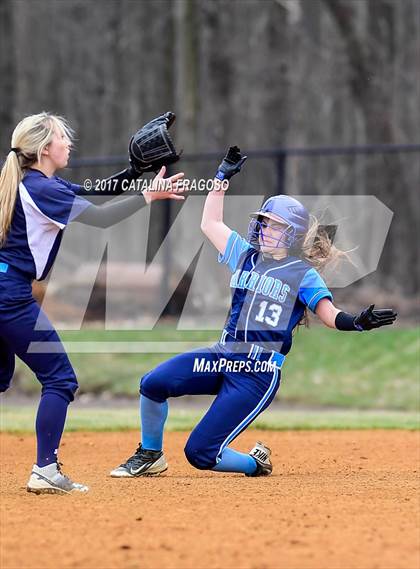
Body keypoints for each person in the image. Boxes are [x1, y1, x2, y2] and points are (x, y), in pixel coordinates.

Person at [111, 146, 397, 479]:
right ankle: (150, 454)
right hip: (221, 356)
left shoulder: (302, 273)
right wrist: (221, 179)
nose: (264, 229)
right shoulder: (246, 255)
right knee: (153, 383)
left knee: (200, 453)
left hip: (256, 373)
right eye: (262, 222)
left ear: (291, 234)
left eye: (273, 225)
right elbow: (210, 223)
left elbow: (329, 314)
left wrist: (357, 323)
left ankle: (255, 463)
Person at [0, 112, 185, 494]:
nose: (69, 144)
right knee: (60, 379)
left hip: (5, 288)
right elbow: (100, 218)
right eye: (62, 138)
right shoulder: (43, 189)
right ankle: (45, 470)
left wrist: (134, 171)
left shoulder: (34, 183)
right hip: (10, 297)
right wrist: (148, 196)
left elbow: (93, 192)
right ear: (44, 149)